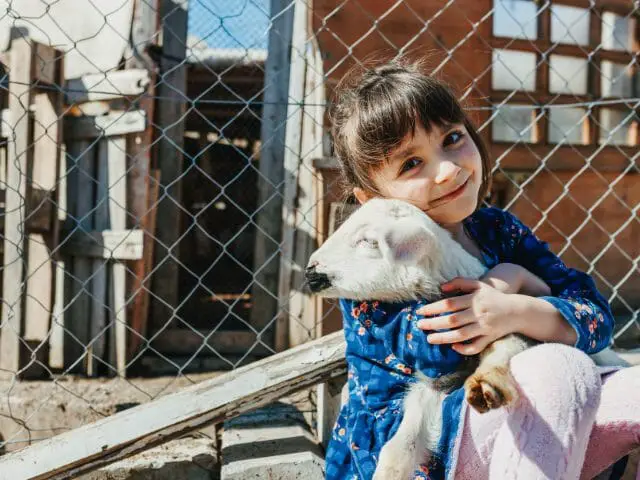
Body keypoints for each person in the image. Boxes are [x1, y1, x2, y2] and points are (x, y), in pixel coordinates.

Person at [325, 57, 640, 480]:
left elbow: (595, 317)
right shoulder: (376, 262)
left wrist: (517, 297)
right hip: (423, 448)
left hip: (523, 419)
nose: (450, 170)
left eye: (452, 138)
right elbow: (435, 358)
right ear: (373, 201)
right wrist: (517, 290)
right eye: (411, 164)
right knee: (557, 370)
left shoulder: (498, 230)